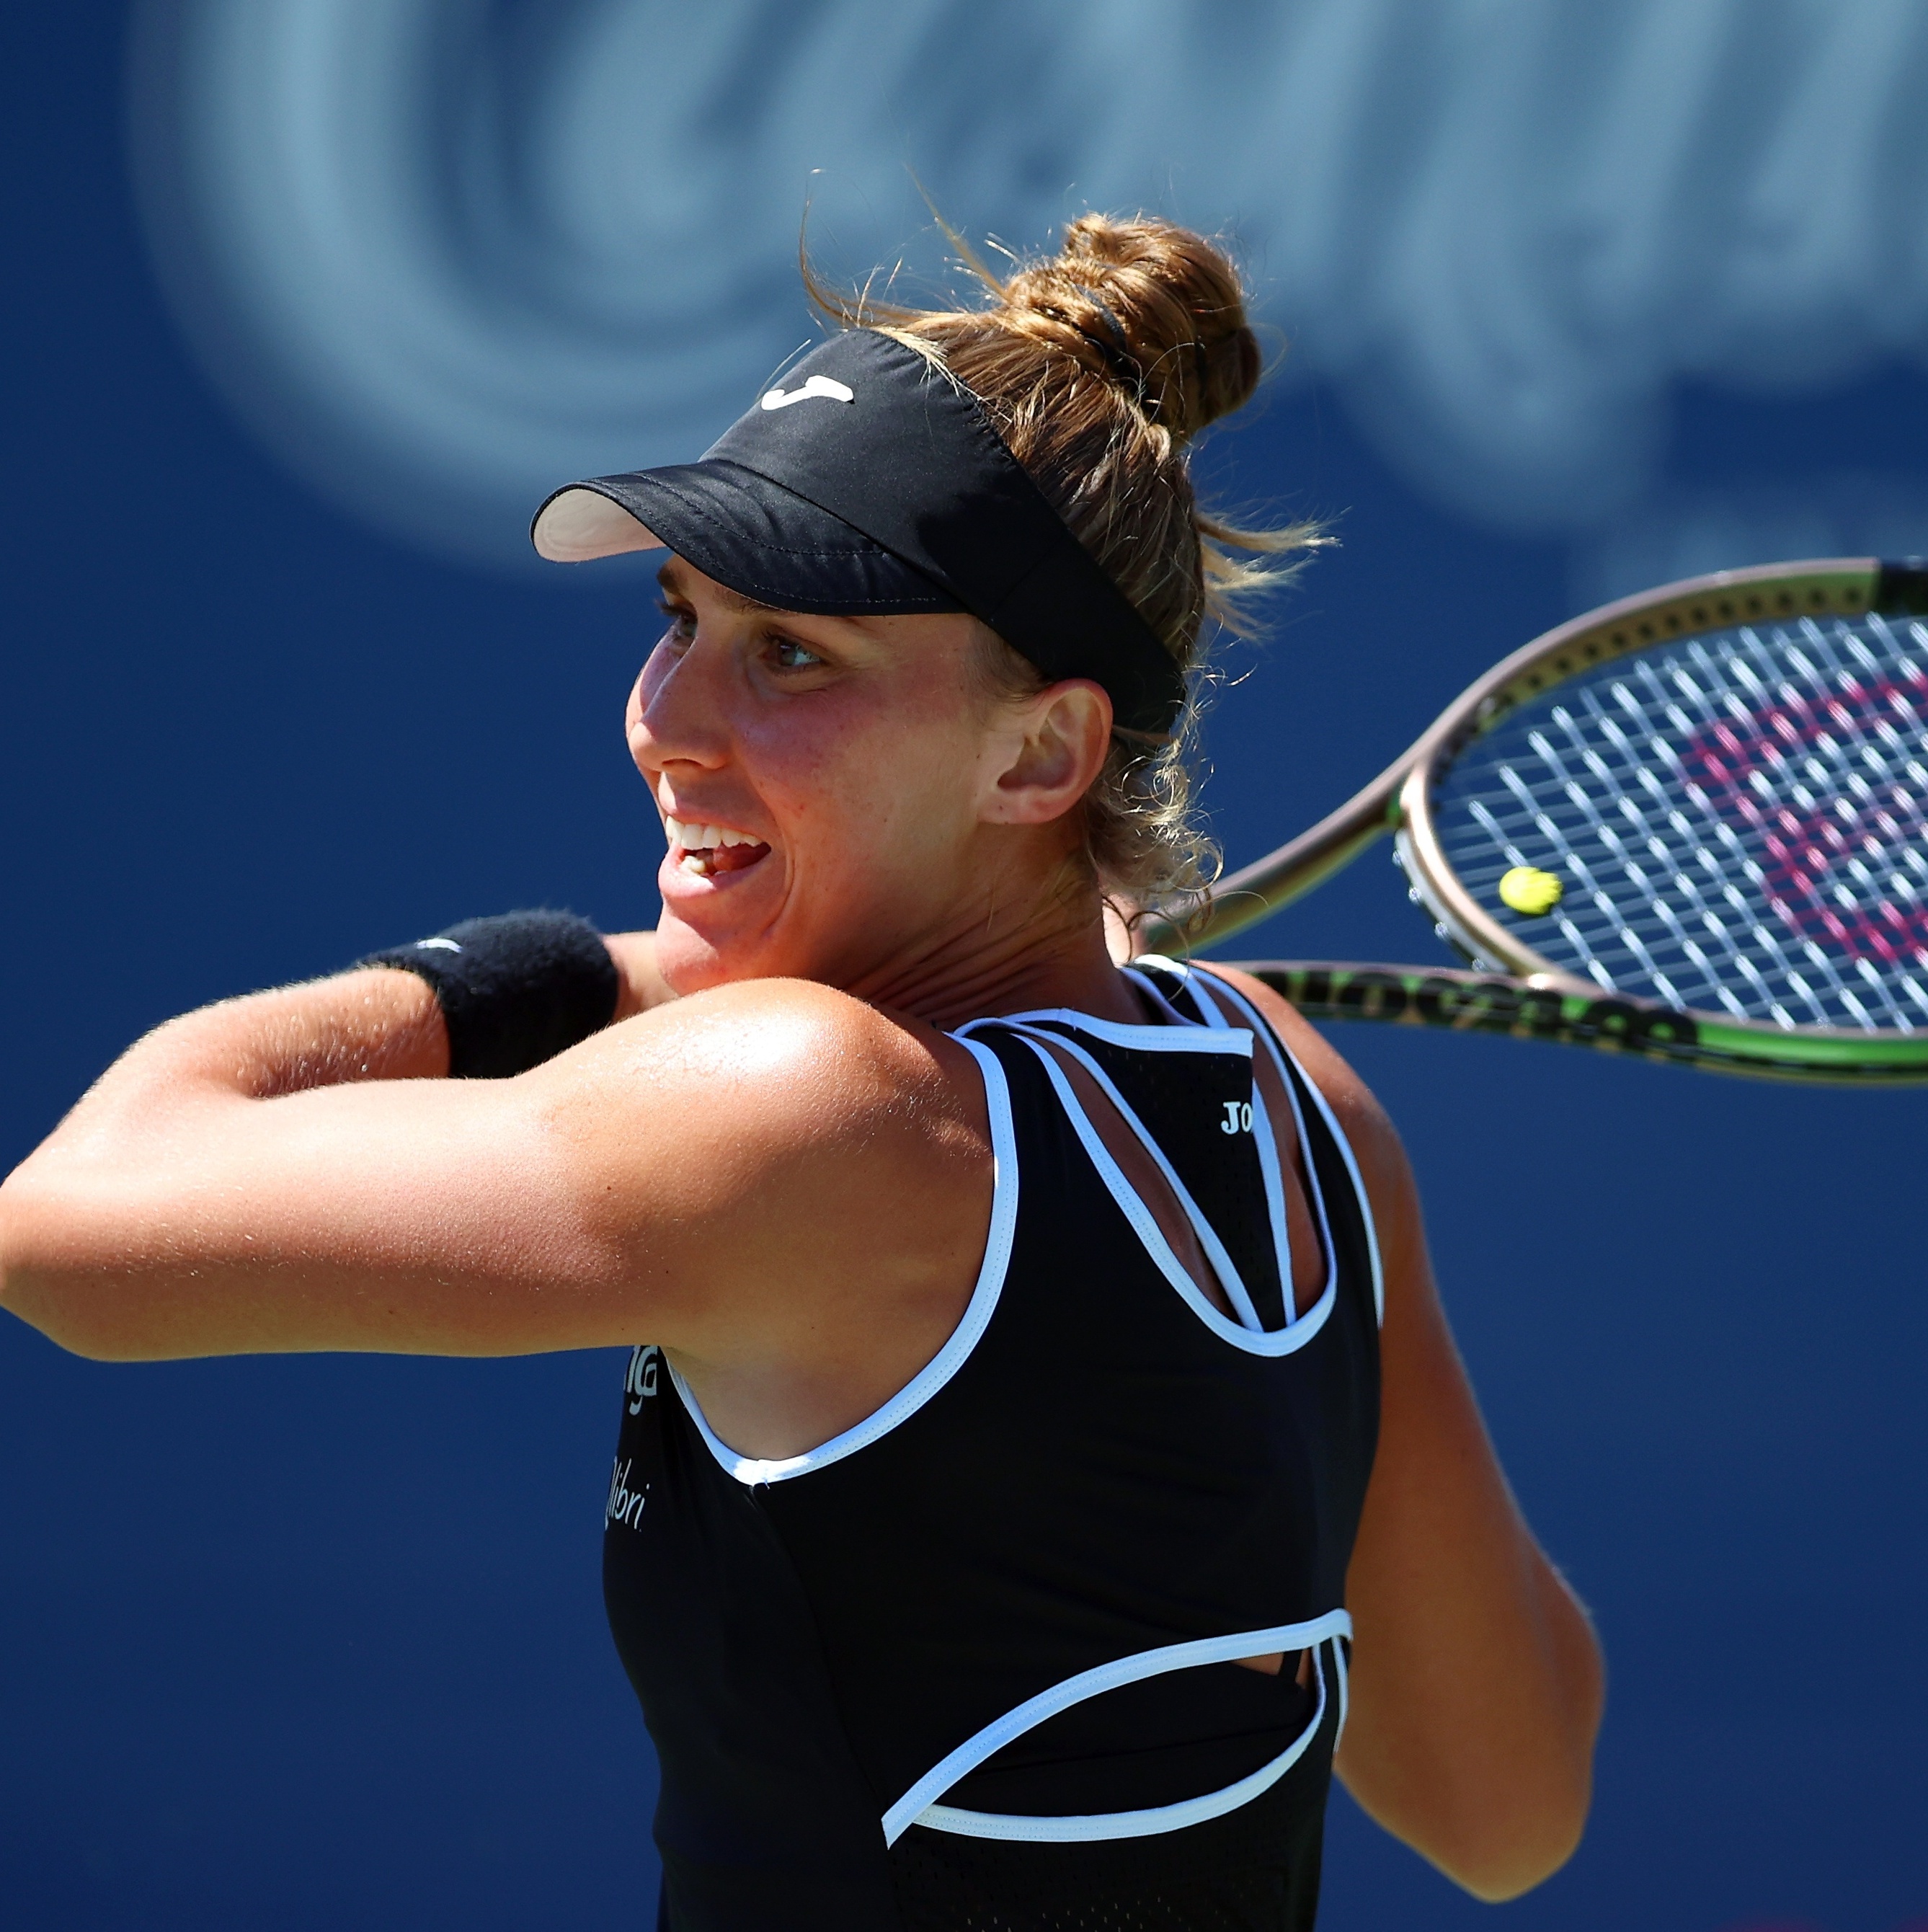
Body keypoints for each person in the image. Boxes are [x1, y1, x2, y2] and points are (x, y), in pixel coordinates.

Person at [0, 214, 1602, 1931]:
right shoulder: (1298, 1102)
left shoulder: (804, 1102)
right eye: (680, 617)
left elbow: (68, 1227)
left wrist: (559, 968)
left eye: (795, 655)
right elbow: (1506, 1800)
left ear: (1042, 751)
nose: (668, 718)